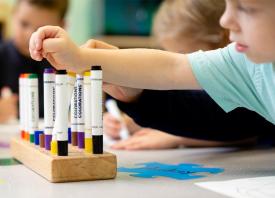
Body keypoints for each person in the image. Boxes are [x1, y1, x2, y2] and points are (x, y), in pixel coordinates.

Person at [29, 0, 275, 147]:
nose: (226, 19)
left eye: (245, 7)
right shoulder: (247, 65)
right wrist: (85, 59)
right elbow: (172, 67)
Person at [104, 0, 258, 150]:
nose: (175, 68)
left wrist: (176, 137)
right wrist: (131, 122)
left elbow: (251, 126)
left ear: (223, 40)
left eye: (184, 57)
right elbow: (186, 111)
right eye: (168, 54)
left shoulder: (248, 78)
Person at [0, 0, 68, 121]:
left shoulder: (66, 64)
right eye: (24, 24)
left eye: (41, 30)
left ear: (62, 27)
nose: (30, 35)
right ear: (13, 15)